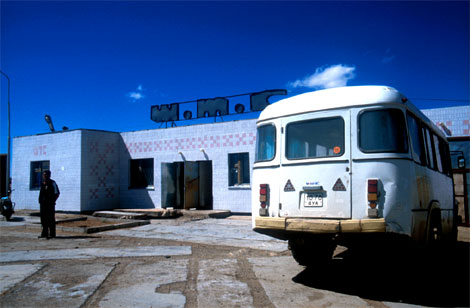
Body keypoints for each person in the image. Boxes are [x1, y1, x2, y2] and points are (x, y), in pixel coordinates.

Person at [38, 170, 60, 239]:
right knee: (43, 219)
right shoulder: (42, 183)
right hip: (43, 204)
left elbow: (57, 193)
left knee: (50, 219)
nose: (45, 176)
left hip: (50, 205)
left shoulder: (52, 183)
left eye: (46, 174)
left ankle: (52, 234)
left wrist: (52, 201)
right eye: (44, 174)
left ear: (49, 175)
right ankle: (44, 233)